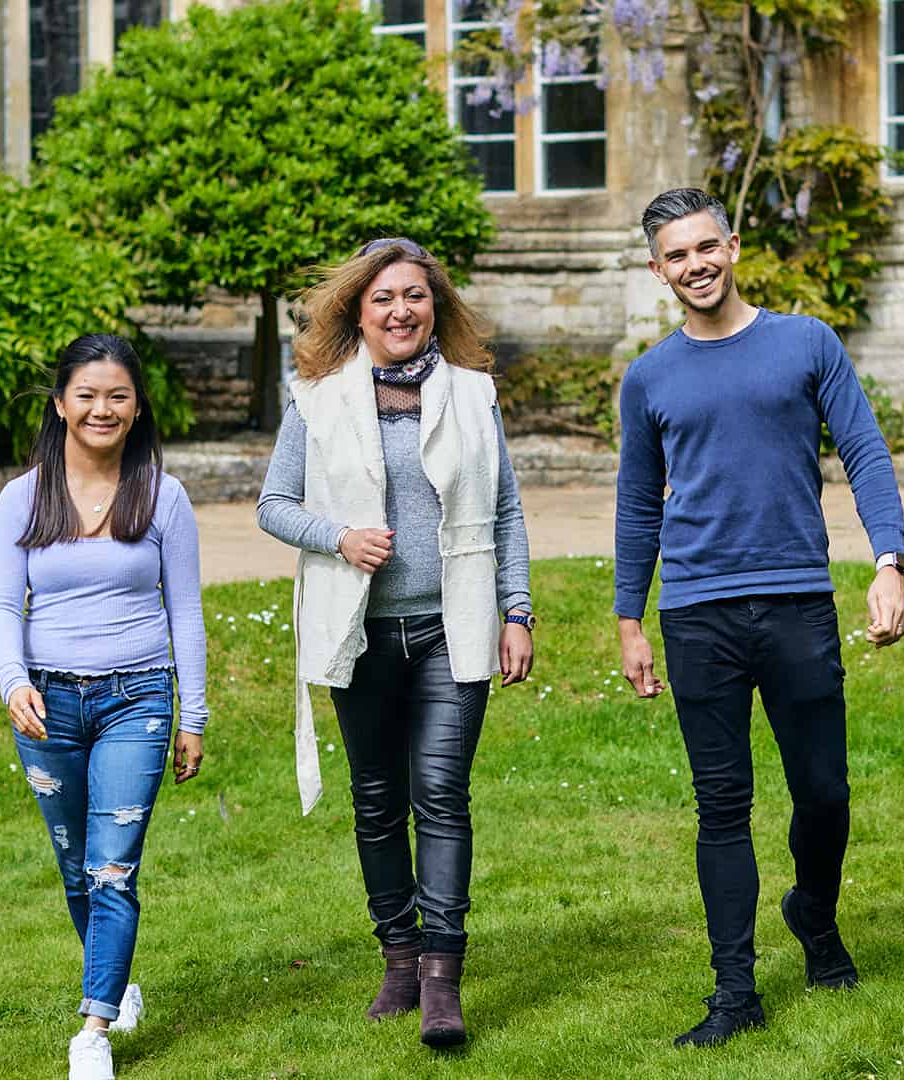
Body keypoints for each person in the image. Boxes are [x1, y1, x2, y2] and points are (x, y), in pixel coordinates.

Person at [612, 188, 904, 1048]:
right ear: (657, 268)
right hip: (698, 612)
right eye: (676, 255)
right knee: (721, 805)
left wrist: (887, 561)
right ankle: (734, 991)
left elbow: (864, 451)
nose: (695, 265)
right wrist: (631, 619)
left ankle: (813, 913)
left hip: (796, 602)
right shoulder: (650, 377)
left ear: (734, 246)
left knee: (824, 792)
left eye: (707, 247)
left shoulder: (805, 344)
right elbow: (638, 505)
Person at [258, 237, 533, 1049]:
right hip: (362, 632)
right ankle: (399, 959)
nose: (400, 311)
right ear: (358, 311)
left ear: (435, 307)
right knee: (377, 804)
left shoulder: (474, 396)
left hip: (455, 629)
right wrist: (338, 535)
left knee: (441, 798)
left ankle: (443, 981)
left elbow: (508, 512)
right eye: (383, 299)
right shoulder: (316, 400)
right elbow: (275, 504)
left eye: (415, 296)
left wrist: (518, 611)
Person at [0, 333, 208, 1080]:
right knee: (76, 865)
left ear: (137, 407)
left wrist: (193, 715)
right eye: (86, 395)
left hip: (136, 698)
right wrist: (14, 680)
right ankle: (115, 980)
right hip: (47, 702)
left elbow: (186, 612)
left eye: (117, 395)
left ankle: (94, 1031)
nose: (101, 409)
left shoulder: (162, 495)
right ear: (61, 405)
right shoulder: (24, 495)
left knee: (113, 868)